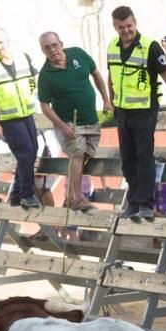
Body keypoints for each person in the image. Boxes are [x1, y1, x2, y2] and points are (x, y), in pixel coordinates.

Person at [106, 5, 166, 222]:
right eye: (121, 27)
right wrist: (111, 101)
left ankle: (145, 204)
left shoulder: (150, 47)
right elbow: (111, 76)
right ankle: (134, 203)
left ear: (135, 23)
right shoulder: (112, 46)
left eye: (129, 25)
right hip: (122, 112)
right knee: (127, 159)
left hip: (144, 111)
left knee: (144, 157)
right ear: (115, 27)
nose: (126, 30)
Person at [36, 31, 112, 211]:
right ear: (43, 51)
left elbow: (96, 74)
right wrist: (61, 126)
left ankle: (70, 196)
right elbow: (45, 106)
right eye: (47, 48)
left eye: (54, 45)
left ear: (61, 43)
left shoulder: (78, 54)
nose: (52, 50)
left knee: (86, 155)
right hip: (69, 123)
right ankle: (77, 197)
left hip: (91, 120)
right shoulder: (46, 75)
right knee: (77, 154)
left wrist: (106, 100)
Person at [0, 27, 41, 208]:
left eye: (1, 42)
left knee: (32, 151)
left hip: (27, 115)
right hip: (9, 119)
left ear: (8, 41)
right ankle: (26, 195)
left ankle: (15, 195)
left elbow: (36, 80)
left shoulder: (23, 57)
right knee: (26, 153)